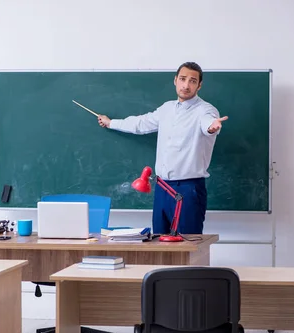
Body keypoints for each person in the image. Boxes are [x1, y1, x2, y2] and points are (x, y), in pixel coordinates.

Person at [97, 62, 228, 235]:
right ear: (175, 80)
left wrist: (213, 127)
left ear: (199, 85)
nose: (186, 85)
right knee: (160, 241)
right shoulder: (167, 108)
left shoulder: (206, 110)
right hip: (162, 187)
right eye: (182, 79)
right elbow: (140, 123)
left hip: (188, 188)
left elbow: (208, 124)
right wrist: (111, 123)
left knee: (188, 242)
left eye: (192, 81)